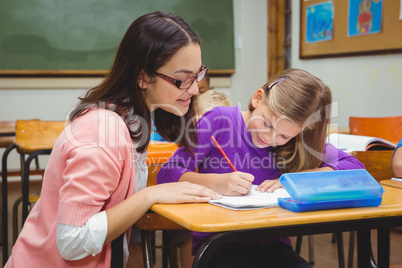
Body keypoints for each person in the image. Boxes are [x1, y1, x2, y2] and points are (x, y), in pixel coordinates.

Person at [5, 11, 222, 268]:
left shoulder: (132, 121)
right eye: (182, 79)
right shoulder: (101, 131)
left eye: (198, 74)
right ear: (142, 77)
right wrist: (150, 195)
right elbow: (72, 241)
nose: (196, 88)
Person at [156, 68, 365, 268]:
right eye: (266, 123)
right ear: (257, 98)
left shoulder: (298, 144)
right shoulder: (219, 122)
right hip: (219, 244)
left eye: (284, 136)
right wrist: (216, 183)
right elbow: (167, 174)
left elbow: (353, 166)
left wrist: (297, 179)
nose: (269, 138)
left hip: (273, 245)